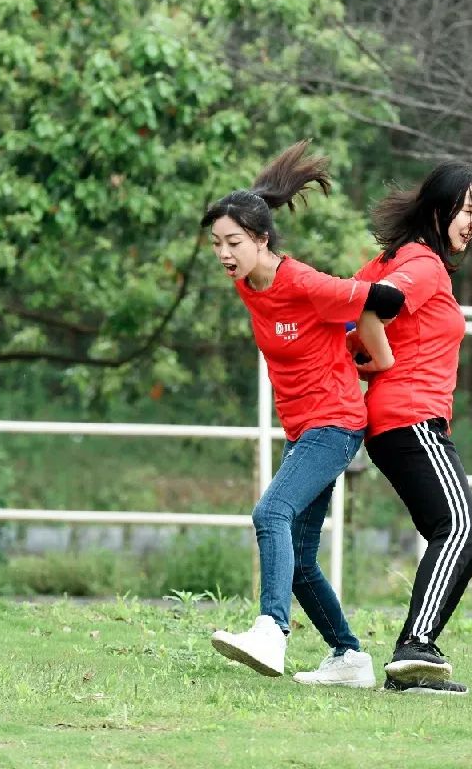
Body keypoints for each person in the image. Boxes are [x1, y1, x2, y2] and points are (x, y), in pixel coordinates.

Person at [202, 141, 405, 687]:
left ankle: (271, 630)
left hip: (335, 423)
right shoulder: (249, 285)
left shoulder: (303, 282)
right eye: (217, 243)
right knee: (302, 562)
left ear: (262, 240)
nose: (224, 253)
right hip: (304, 429)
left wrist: (376, 359)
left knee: (271, 515)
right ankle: (349, 658)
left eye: (234, 242)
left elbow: (376, 301)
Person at [349, 162, 472, 695]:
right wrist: (379, 361)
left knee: (455, 533)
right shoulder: (424, 265)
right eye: (468, 209)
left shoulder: (395, 258)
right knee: (459, 529)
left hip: (398, 422)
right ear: (438, 209)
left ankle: (417, 653)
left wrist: (364, 359)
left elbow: (348, 314)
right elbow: (369, 306)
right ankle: (415, 647)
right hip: (412, 419)